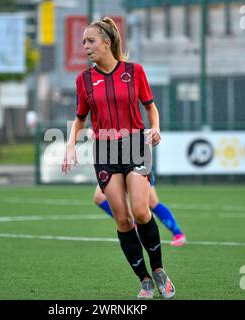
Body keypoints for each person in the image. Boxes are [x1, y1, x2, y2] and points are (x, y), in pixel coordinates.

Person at [62, 17, 175, 299]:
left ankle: (159, 270)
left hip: (135, 144)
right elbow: (80, 119)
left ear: (106, 42)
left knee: (140, 210)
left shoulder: (134, 71)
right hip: (105, 151)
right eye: (83, 42)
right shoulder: (84, 80)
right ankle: (145, 280)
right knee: (123, 220)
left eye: (90, 41)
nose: (85, 47)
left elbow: (151, 108)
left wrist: (156, 128)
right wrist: (70, 145)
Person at [93, 174, 187, 246]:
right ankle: (132, 226)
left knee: (152, 202)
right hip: (114, 164)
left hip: (135, 161)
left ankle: (178, 234)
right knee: (99, 197)